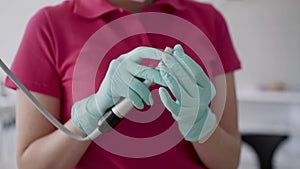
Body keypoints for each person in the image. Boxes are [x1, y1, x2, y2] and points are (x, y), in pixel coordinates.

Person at [5, 0, 242, 168]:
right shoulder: (49, 26)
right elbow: (31, 164)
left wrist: (201, 125)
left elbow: (229, 161)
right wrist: (89, 115)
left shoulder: (209, 20)